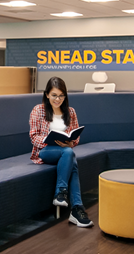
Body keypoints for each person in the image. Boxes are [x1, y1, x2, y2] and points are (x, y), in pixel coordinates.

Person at [29, 77, 92, 227]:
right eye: (54, 95)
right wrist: (49, 140)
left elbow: (75, 138)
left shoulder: (70, 111)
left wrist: (71, 142)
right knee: (69, 153)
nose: (58, 99)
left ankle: (75, 206)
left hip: (65, 151)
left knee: (70, 156)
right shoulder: (38, 110)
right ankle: (70, 202)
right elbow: (33, 137)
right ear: (47, 95)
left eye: (61, 95)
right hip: (45, 151)